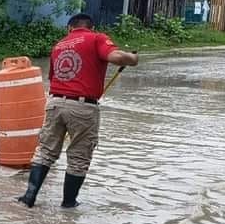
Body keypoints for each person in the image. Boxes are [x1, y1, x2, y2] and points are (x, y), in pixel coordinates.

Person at [17, 14, 139, 208]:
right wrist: (132, 58)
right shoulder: (96, 38)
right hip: (83, 107)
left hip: (54, 103)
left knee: (45, 151)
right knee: (79, 157)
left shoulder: (59, 45)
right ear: (91, 27)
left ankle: (29, 197)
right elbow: (116, 57)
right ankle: (68, 204)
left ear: (69, 28)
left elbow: (53, 77)